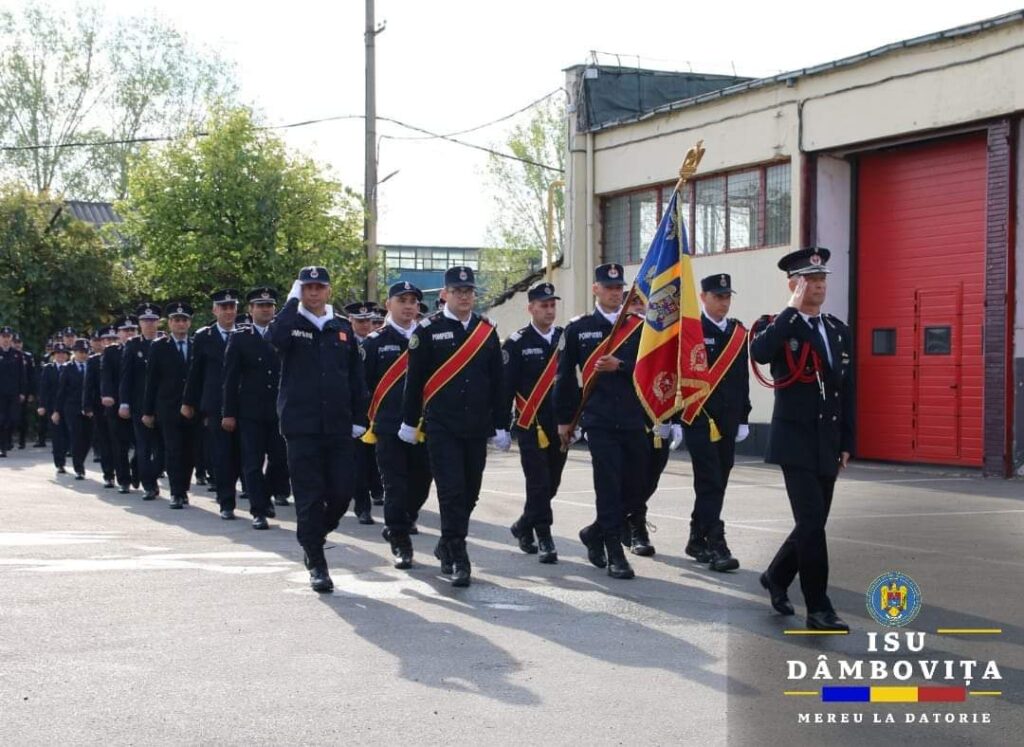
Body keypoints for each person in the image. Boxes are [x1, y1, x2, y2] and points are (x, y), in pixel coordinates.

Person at [750, 247, 854, 632]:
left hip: (827, 440)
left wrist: (848, 440)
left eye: (823, 278)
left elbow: (847, 389)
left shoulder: (837, 329)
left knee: (813, 523)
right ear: (793, 284)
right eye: (811, 280)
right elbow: (760, 353)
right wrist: (791, 311)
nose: (819, 285)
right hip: (794, 440)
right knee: (811, 523)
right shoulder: (776, 325)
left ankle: (776, 576)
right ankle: (819, 607)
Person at [399, 266, 506, 587]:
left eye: (469, 292)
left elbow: (498, 383)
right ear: (445, 294)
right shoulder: (428, 330)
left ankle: (446, 543)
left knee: (470, 492)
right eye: (458, 292)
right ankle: (458, 554)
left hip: (476, 426)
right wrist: (408, 420)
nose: (464, 297)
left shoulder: (486, 331)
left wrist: (502, 424)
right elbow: (414, 381)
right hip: (441, 426)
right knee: (452, 491)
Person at [269, 266, 368, 592]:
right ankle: (316, 559)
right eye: (307, 287)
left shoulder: (341, 328)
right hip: (302, 425)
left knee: (342, 491)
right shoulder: (292, 323)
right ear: (300, 290)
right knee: (309, 495)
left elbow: (355, 377)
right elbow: (274, 338)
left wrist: (359, 417)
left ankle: (313, 534)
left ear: (328, 290)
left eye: (318, 287)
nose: (313, 293)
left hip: (338, 424)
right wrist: (289, 301)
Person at [555, 263, 648, 580]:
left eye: (618, 288)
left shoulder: (639, 326)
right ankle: (614, 552)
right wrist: (564, 420)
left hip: (635, 418)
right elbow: (564, 378)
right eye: (608, 288)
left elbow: (652, 369)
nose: (614, 293)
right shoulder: (579, 328)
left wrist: (621, 365)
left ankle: (595, 532)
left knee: (637, 488)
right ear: (595, 289)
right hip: (600, 419)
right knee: (608, 487)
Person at [677, 273, 752, 573]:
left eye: (727, 297)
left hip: (729, 420)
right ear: (703, 297)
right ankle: (716, 542)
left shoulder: (738, 333)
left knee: (717, 482)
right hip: (699, 418)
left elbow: (742, 379)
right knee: (709, 481)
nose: (724, 302)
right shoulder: (691, 331)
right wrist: (672, 420)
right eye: (718, 296)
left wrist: (744, 417)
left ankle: (697, 538)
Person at [361, 281, 432, 569]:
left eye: (413, 301)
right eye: (401, 300)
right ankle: (400, 541)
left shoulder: (428, 338)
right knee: (396, 486)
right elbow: (362, 386)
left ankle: (401, 521)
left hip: (423, 426)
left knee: (422, 483)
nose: (408, 306)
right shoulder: (374, 342)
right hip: (389, 426)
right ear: (388, 304)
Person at [501, 281, 566, 564]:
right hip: (532, 424)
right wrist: (500, 426)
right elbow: (505, 387)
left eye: (553, 305)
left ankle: (523, 525)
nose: (550, 311)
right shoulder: (517, 343)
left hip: (561, 424)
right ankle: (545, 537)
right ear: (531, 308)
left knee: (552, 484)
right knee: (538, 484)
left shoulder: (565, 338)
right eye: (544, 305)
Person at [222, 287, 291, 530]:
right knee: (251, 462)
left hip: (280, 409)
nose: (265, 309)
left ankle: (266, 493)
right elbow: (230, 378)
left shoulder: (282, 334)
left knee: (280, 459)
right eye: (260, 305)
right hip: (250, 411)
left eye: (269, 305)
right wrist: (228, 413)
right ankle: (258, 509)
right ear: (250, 310)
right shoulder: (240, 337)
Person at [183, 290, 241, 519]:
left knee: (242, 455)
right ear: (215, 310)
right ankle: (226, 501)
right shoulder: (204, 336)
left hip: (242, 403)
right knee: (221, 454)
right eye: (223, 307)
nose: (228, 311)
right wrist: (189, 402)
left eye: (232, 307)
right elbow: (195, 372)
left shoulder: (246, 334)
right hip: (215, 403)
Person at [143, 303, 198, 509]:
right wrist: (148, 411)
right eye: (177, 320)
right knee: (173, 450)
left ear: (189, 323)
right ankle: (176, 492)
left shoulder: (196, 344)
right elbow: (152, 381)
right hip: (167, 407)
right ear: (170, 323)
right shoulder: (159, 346)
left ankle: (184, 488)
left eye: (184, 320)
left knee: (190, 452)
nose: (181, 324)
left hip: (192, 408)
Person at [346, 300, 384, 520]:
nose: (364, 325)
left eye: (368, 321)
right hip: (354, 411)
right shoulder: (344, 343)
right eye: (359, 321)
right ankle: (363, 508)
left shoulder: (377, 342)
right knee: (358, 461)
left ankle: (378, 491)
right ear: (351, 321)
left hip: (377, 408)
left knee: (376, 458)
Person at [120, 304, 162, 499]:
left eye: (153, 320)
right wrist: (125, 403)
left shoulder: (165, 342)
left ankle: (145, 472)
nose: (149, 324)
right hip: (139, 404)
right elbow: (126, 376)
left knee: (162, 448)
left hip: (162, 403)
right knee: (143, 446)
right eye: (145, 321)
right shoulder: (133, 344)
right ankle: (149, 485)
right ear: (140, 323)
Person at [103, 317, 136, 493]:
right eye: (125, 330)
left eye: (132, 330)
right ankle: (124, 479)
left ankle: (138, 470)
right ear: (118, 333)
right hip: (115, 403)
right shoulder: (111, 352)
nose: (129, 333)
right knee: (119, 444)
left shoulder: (143, 347)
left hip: (138, 403)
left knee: (142, 443)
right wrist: (107, 395)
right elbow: (106, 376)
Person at [83, 326, 118, 488]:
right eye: (106, 340)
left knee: (121, 441)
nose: (110, 342)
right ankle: (109, 474)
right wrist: (87, 406)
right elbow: (88, 386)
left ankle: (124, 471)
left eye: (113, 339)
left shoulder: (125, 354)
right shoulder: (94, 360)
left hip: (121, 406)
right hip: (100, 407)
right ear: (101, 342)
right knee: (105, 441)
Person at [54, 339, 92, 479]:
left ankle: (80, 460)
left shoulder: (92, 366)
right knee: (76, 437)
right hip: (72, 407)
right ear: (74, 352)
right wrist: (57, 410)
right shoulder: (67, 368)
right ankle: (79, 467)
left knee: (87, 438)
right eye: (81, 352)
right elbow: (61, 391)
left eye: (86, 352)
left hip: (88, 408)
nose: (83, 355)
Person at [38, 343, 69, 473]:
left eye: (63, 353)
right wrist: (42, 405)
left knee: (68, 434)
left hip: (68, 405)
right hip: (52, 406)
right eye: (57, 353)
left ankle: (66, 452)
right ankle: (59, 462)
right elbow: (43, 388)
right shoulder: (48, 369)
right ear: (53, 355)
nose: (60, 356)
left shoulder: (70, 368)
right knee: (57, 435)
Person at [0, 325, 27, 457]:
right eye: (3, 337)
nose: (6, 339)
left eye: (8, 337)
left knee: (12, 419)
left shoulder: (17, 354)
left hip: (13, 392)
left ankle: (7, 441)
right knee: (1, 419)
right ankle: (2, 446)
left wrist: (22, 392)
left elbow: (22, 375)